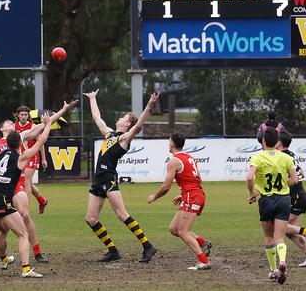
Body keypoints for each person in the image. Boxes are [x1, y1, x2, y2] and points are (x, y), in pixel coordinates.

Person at [0, 102, 77, 264]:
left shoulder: (21, 136)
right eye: (7, 123)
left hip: (17, 185)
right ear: (2, 129)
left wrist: (63, 110)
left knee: (24, 215)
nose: (10, 123)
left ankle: (37, 252)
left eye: (11, 122)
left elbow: (45, 125)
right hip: (0, 187)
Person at [0, 113, 55, 278]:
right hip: (3, 201)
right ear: (20, 144)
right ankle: (26, 269)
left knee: (4, 232)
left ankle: (3, 260)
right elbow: (40, 142)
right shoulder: (20, 158)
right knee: (22, 234)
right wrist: (48, 124)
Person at [84, 89, 159, 263]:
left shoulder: (124, 138)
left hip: (108, 178)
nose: (120, 118)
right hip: (98, 180)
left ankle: (148, 246)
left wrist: (148, 105)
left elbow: (138, 126)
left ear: (127, 125)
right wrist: (93, 99)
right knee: (90, 219)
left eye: (124, 117)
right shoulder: (110, 133)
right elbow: (97, 118)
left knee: (121, 213)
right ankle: (112, 250)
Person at [147, 133, 212, 271]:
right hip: (194, 194)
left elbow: (166, 187)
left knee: (183, 231)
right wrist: (184, 195)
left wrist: (154, 197)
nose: (168, 143)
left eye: (169, 141)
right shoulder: (190, 157)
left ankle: (204, 261)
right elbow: (198, 179)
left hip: (192, 196)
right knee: (174, 229)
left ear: (172, 144)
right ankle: (203, 243)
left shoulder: (174, 161)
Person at [247, 127, 298, 285]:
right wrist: (283, 184)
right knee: (280, 237)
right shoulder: (286, 158)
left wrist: (252, 193)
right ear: (277, 142)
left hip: (266, 200)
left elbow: (249, 178)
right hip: (283, 199)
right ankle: (283, 261)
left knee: (269, 236)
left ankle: (273, 269)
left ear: (263, 141)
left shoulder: (258, 157)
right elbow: (295, 180)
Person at [275, 131, 306, 267]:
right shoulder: (291, 155)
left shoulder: (282, 157)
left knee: (279, 228)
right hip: (300, 196)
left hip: (296, 197)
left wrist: (277, 187)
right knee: (289, 231)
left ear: (279, 143)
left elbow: (294, 180)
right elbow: (302, 174)